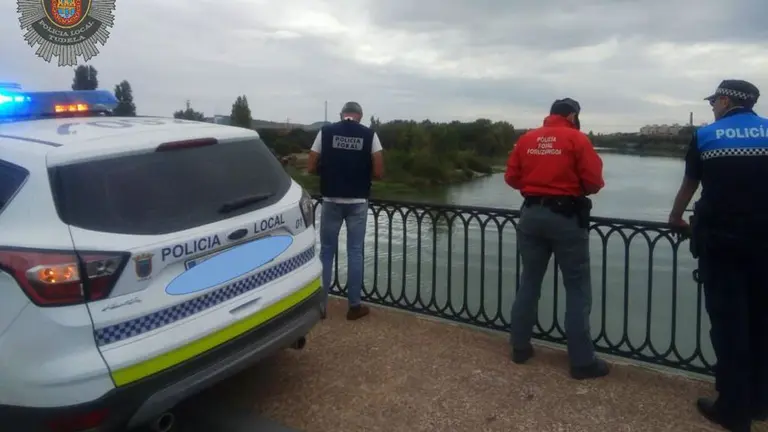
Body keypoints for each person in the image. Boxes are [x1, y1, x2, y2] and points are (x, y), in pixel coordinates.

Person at [668, 79, 768, 432]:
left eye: (714, 101)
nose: (712, 107)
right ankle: (760, 401)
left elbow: (690, 183)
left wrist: (675, 217)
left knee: (729, 325)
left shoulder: (707, 136)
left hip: (722, 244)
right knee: (761, 321)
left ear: (726, 101)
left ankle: (732, 409)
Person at [504, 98, 609, 380]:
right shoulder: (577, 139)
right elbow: (594, 182)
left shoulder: (527, 139)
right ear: (573, 116)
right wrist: (568, 187)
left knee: (529, 281)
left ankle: (520, 347)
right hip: (566, 218)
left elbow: (511, 177)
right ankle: (582, 361)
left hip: (531, 214)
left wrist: (535, 186)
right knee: (576, 288)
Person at [307, 101, 385, 320]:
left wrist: (328, 172)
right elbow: (379, 170)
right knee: (355, 252)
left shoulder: (325, 132)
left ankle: (321, 307)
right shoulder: (370, 135)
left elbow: (311, 165)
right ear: (360, 116)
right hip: (358, 201)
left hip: (331, 199)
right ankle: (354, 306)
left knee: (326, 252)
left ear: (342, 115)